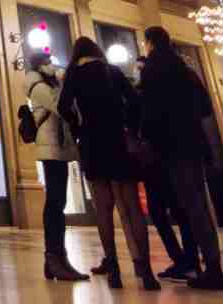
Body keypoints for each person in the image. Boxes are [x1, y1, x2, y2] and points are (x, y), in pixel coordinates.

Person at [58, 37, 159, 291]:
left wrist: (78, 127)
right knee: (131, 208)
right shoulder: (112, 72)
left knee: (103, 209)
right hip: (118, 141)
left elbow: (63, 106)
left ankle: (113, 268)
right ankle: (145, 270)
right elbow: (136, 102)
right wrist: (130, 128)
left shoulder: (75, 75)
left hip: (92, 144)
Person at [139, 26, 223, 291]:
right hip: (193, 143)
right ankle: (210, 264)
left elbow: (149, 111)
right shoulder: (186, 69)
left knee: (190, 208)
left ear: (150, 43)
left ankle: (209, 268)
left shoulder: (152, 70)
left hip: (170, 146)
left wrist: (150, 140)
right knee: (199, 206)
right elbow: (205, 107)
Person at [134, 56, 200, 282]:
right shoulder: (178, 84)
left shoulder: (148, 92)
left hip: (158, 158)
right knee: (173, 211)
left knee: (170, 211)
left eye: (141, 68)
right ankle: (187, 260)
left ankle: (187, 260)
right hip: (168, 157)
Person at [24, 52, 87, 282]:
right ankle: (54, 258)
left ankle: (58, 259)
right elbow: (61, 107)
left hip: (58, 148)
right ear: (41, 66)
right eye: (48, 62)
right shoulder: (39, 86)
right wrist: (64, 81)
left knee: (57, 203)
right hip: (50, 150)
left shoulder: (46, 84)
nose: (53, 66)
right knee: (54, 204)